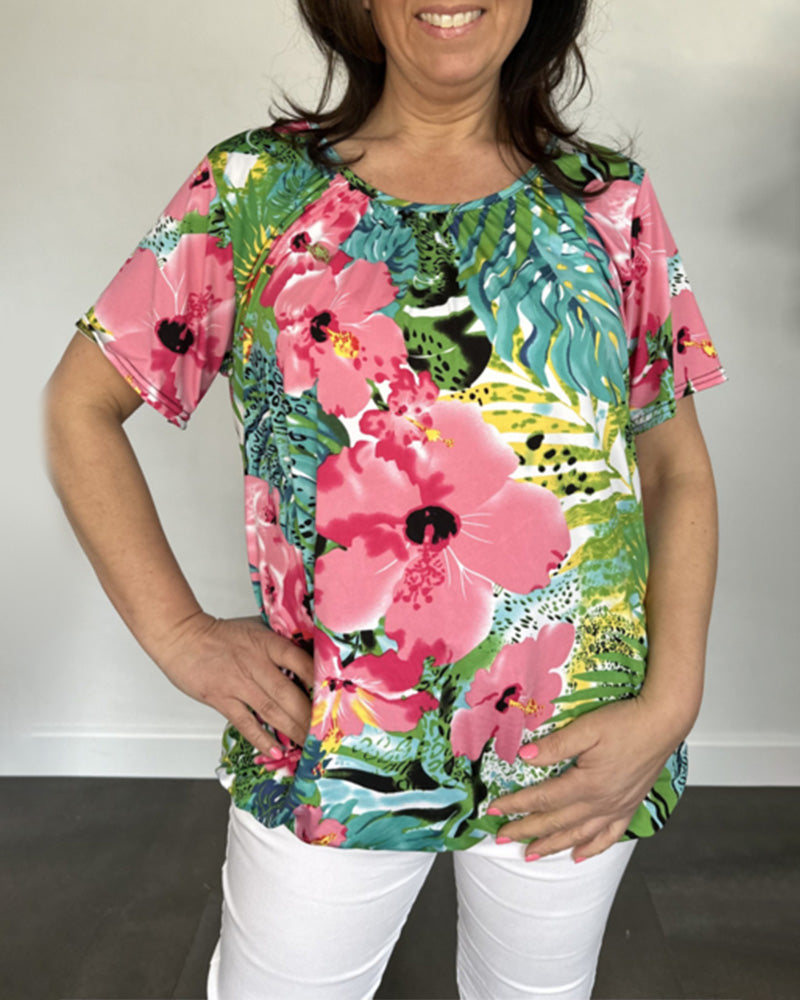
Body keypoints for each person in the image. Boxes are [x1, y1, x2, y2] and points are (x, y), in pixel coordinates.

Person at [45, 1, 726, 997]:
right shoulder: (257, 189)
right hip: (334, 737)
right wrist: (179, 633)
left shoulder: (607, 203)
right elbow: (80, 403)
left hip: (576, 743)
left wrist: (670, 704)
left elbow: (673, 468)